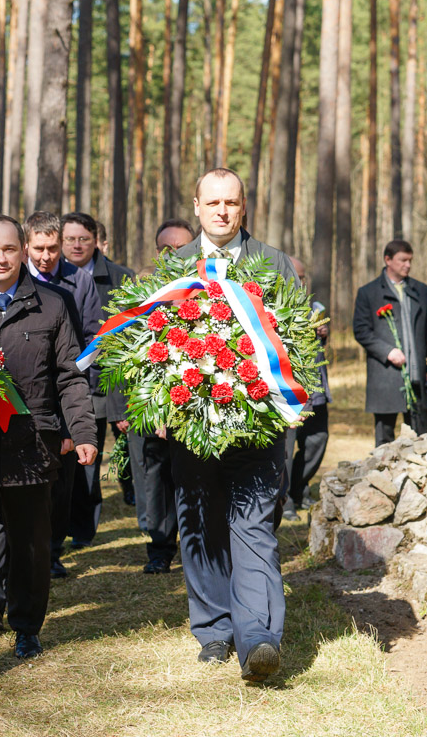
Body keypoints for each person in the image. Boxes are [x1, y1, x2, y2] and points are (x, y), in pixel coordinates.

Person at [0, 214, 98, 691]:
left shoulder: (53, 303)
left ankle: (26, 628)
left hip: (34, 445)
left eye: (10, 249)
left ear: (23, 250)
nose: (2, 258)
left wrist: (82, 431)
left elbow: (69, 374)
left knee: (30, 546)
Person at [168, 167, 294, 683]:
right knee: (200, 522)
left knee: (254, 528)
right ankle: (215, 628)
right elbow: (148, 347)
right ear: (196, 206)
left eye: (231, 202)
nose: (222, 211)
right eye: (212, 202)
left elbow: (297, 338)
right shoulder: (172, 268)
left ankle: (258, 637)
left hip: (258, 427)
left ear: (244, 208)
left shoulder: (273, 262)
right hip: (190, 426)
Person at [23, 210, 101, 578]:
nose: (45, 256)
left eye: (52, 249)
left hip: (66, 387)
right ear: (27, 246)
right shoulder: (16, 279)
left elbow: (89, 337)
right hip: (27, 391)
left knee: (62, 481)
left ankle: (52, 552)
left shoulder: (79, 281)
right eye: (38, 248)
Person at [118, 218, 196, 574]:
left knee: (195, 477)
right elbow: (118, 354)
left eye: (183, 248)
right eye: (167, 249)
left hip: (197, 406)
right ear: (156, 252)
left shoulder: (208, 291)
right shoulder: (139, 294)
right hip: (149, 406)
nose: (175, 255)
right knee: (156, 478)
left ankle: (198, 547)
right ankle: (160, 549)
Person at [61, 211, 136, 534]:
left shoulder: (121, 277)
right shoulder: (49, 278)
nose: (77, 246)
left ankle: (133, 497)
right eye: (70, 239)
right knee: (82, 454)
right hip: (74, 380)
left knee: (121, 449)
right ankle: (81, 528)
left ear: (97, 242)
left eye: (84, 239)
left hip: (111, 379)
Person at [352, 239, 427, 446]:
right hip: (385, 378)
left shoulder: (421, 290)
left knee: (422, 439)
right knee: (384, 441)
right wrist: (387, 351)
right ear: (388, 260)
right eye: (403, 260)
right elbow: (360, 331)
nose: (408, 265)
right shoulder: (368, 293)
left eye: (410, 260)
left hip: (417, 376)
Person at [280, 257, 331, 522]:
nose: (300, 282)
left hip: (316, 389)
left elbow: (320, 346)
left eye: (303, 277)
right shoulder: (274, 306)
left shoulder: (314, 307)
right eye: (295, 276)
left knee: (317, 441)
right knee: (285, 450)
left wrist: (323, 333)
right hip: (289, 391)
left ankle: (299, 489)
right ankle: (285, 499)